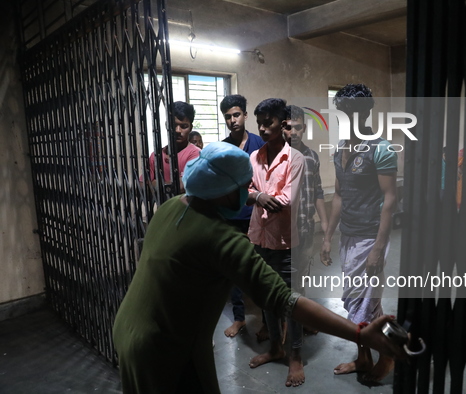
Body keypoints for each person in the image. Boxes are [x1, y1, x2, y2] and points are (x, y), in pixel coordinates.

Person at [112, 142, 404, 394]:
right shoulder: (221, 240)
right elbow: (285, 299)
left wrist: (254, 196)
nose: (246, 192)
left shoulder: (172, 206)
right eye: (243, 186)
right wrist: (359, 333)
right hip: (166, 347)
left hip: (129, 327)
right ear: (224, 189)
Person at [320, 84, 398, 382]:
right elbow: (339, 195)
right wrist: (328, 235)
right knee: (364, 302)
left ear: (366, 112)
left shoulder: (381, 148)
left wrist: (379, 247)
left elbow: (390, 198)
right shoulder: (339, 149)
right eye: (343, 111)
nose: (348, 116)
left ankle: (388, 355)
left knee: (361, 302)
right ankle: (364, 358)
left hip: (370, 236)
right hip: (348, 235)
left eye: (354, 110)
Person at [246, 98, 307, 387]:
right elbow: (244, 188)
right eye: (259, 122)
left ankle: (295, 354)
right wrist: (259, 196)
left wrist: (261, 196)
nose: (262, 127)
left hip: (285, 243)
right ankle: (275, 347)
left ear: (282, 124)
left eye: (268, 122)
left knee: (289, 302)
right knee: (266, 298)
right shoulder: (254, 157)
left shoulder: (295, 159)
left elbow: (288, 199)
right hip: (259, 237)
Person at [219, 94, 265, 338]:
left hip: (258, 215)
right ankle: (239, 318)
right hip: (233, 215)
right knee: (236, 267)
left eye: (236, 115)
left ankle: (267, 320)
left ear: (245, 116)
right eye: (228, 117)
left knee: (262, 266)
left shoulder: (260, 143)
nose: (232, 120)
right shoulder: (223, 147)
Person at [285, 105, 328, 334]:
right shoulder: (277, 156)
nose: (294, 132)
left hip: (306, 228)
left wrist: (324, 222)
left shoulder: (312, 156)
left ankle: (300, 320)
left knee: (302, 276)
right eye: (289, 127)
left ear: (304, 128)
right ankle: (283, 324)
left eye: (298, 127)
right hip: (282, 232)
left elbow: (318, 191)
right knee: (283, 279)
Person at [148, 101, 201, 195]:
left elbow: (181, 186)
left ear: (191, 128)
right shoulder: (156, 155)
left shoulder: (197, 154)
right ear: (166, 125)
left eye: (184, 126)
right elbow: (143, 184)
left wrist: (155, 183)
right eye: (174, 125)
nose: (178, 130)